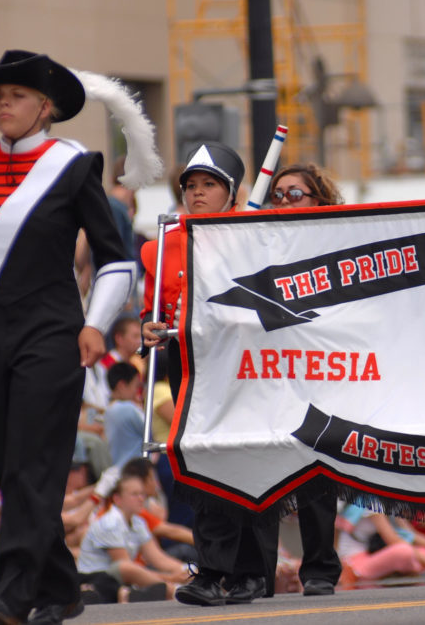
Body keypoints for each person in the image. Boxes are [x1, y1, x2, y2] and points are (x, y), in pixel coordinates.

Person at [0, 50, 136, 625]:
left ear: (44, 107)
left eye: (16, 95)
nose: (2, 103)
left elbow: (114, 257)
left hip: (52, 329)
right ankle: (60, 585)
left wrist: (95, 323)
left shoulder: (73, 166)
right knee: (15, 463)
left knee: (31, 458)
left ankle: (14, 590)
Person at [142, 143, 277, 608]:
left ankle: (241, 571)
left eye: (209, 185)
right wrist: (150, 327)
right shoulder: (158, 248)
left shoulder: (260, 233)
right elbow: (152, 311)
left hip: (245, 365)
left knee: (242, 462)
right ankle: (223, 570)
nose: (197, 194)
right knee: (202, 464)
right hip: (190, 365)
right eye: (191, 186)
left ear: (232, 192)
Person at [265, 164, 345, 596]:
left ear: (319, 200)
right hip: (268, 373)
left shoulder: (339, 241)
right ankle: (255, 571)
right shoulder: (254, 242)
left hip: (320, 373)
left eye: (295, 194)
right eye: (277, 195)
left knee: (316, 468)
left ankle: (319, 567)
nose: (283, 202)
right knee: (259, 467)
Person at [76, 473, 189, 601]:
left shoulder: (138, 521)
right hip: (93, 579)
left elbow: (158, 558)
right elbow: (126, 568)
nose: (141, 498)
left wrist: (184, 570)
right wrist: (171, 578)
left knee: (186, 567)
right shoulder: (110, 523)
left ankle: (144, 592)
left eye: (142, 494)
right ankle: (172, 590)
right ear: (117, 499)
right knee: (125, 566)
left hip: (114, 579)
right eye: (134, 494)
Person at [103, 362, 144, 467]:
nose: (137, 392)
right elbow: (152, 432)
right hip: (134, 468)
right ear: (121, 385)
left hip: (118, 468)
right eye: (135, 386)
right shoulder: (127, 408)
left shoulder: (109, 409)